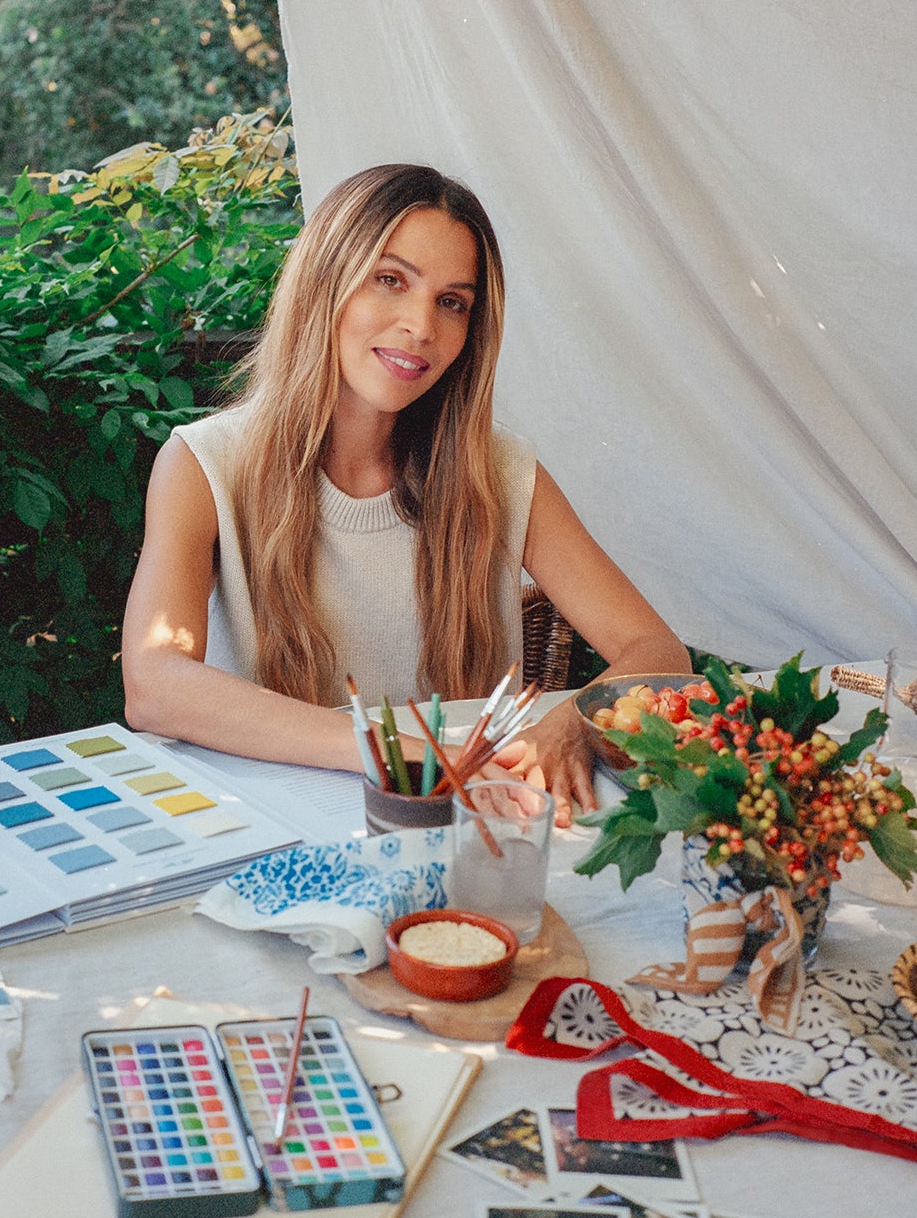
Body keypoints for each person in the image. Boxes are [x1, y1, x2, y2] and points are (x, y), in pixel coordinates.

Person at [122, 163, 690, 820]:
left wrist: (569, 724)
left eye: (453, 302)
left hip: (468, 820)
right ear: (324, 284)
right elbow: (155, 684)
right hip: (277, 832)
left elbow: (659, 654)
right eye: (390, 280)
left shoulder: (500, 473)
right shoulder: (203, 465)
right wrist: (388, 749)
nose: (421, 325)